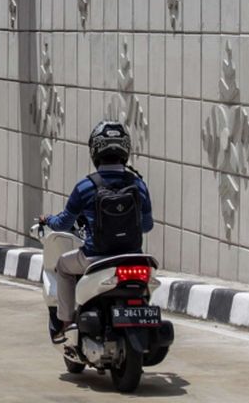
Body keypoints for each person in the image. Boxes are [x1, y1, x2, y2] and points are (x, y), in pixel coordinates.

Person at [40, 121, 154, 339]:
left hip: (95, 257)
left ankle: (66, 323)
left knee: (63, 266)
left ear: (95, 151)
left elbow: (63, 223)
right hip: (132, 257)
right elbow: (147, 226)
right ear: (125, 150)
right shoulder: (138, 185)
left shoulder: (85, 186)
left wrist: (48, 220)